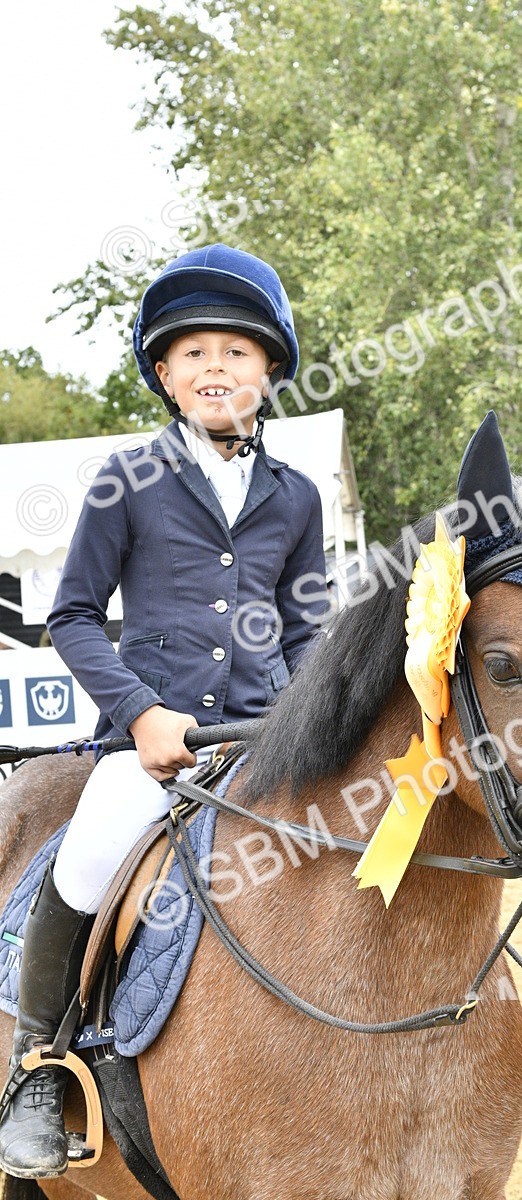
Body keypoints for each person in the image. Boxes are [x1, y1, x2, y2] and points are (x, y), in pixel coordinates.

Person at [0, 243, 328, 1179]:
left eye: (236, 350)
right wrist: (142, 717)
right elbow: (69, 615)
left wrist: (312, 723)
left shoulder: (295, 496)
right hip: (153, 749)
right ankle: (37, 1069)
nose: (215, 366)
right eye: (192, 353)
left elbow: (308, 633)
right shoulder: (127, 479)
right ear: (164, 375)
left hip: (264, 742)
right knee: (91, 850)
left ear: (269, 373)